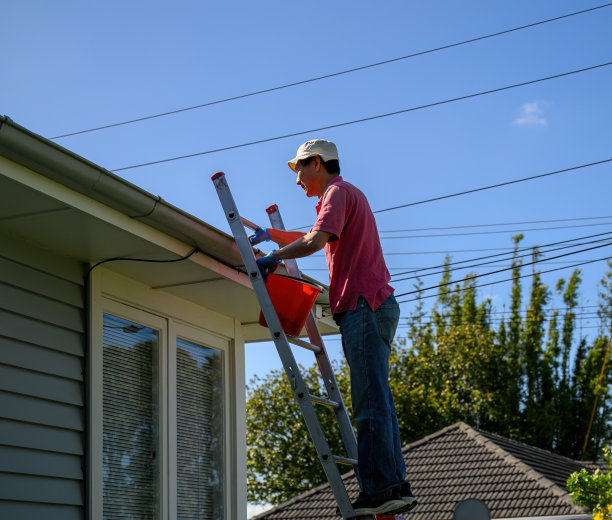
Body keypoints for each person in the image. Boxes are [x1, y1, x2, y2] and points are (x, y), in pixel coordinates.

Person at [254, 139, 416, 517]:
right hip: (373, 305)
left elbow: (314, 240)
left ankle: (378, 491)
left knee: (370, 402)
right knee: (380, 401)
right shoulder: (342, 195)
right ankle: (393, 484)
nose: (297, 180)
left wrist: (272, 259)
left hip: (363, 305)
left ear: (316, 163)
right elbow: (312, 235)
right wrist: (270, 235)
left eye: (299, 170)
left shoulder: (337, 192)